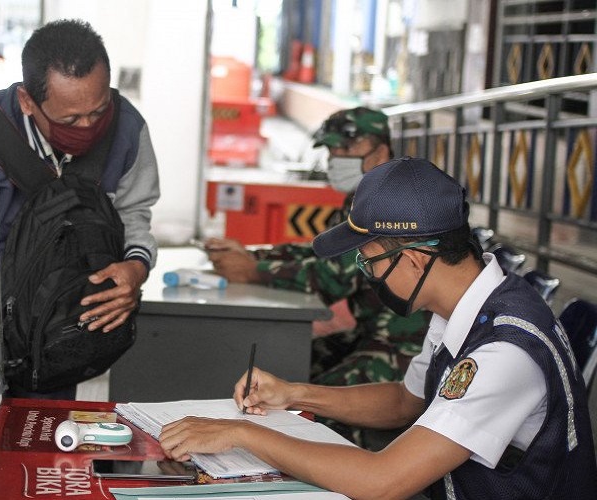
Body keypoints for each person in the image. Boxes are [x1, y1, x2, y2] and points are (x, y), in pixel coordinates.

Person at [160, 157, 597, 500]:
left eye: (369, 262)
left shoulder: (504, 352)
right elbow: (405, 401)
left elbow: (382, 481)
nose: (368, 276)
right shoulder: (462, 305)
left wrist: (241, 433)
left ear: (414, 260)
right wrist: (294, 394)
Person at [0, 19, 160, 499]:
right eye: (70, 119)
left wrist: (136, 266)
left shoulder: (127, 128)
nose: (88, 128)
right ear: (27, 100)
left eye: (98, 110)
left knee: (46, 455)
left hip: (59, 330)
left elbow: (135, 212)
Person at [206, 107, 430, 403]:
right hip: (369, 332)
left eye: (347, 148)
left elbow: (333, 277)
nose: (336, 157)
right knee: (290, 364)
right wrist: (253, 255)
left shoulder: (390, 203)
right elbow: (323, 250)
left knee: (311, 406)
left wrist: (252, 271)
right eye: (332, 150)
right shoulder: (364, 196)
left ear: (380, 152)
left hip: (405, 346)